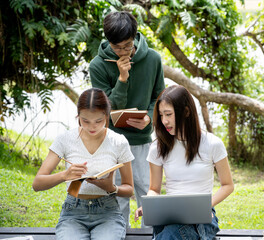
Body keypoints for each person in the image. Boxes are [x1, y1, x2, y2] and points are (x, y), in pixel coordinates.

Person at [89, 11, 165, 227]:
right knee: (117, 191)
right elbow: (104, 108)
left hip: (141, 140)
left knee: (146, 188)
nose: (123, 52)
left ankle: (150, 233)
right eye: (117, 47)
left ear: (135, 37)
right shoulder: (98, 65)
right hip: (112, 140)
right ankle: (118, 232)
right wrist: (122, 79)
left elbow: (159, 97)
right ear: (108, 41)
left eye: (128, 46)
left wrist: (150, 118)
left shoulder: (153, 59)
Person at [32, 88, 134, 240]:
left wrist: (112, 188)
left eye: (98, 121)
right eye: (85, 120)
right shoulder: (65, 139)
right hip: (73, 212)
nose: (92, 127)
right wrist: (64, 175)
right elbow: (37, 184)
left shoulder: (118, 141)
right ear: (78, 115)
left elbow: (129, 189)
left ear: (106, 116)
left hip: (108, 212)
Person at [134, 85, 234, 239]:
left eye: (168, 114)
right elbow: (154, 188)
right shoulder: (158, 147)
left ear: (186, 112)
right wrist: (147, 205)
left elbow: (228, 185)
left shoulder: (212, 143)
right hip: (170, 215)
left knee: (169, 234)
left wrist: (207, 206)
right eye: (161, 115)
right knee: (169, 231)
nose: (164, 121)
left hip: (203, 218)